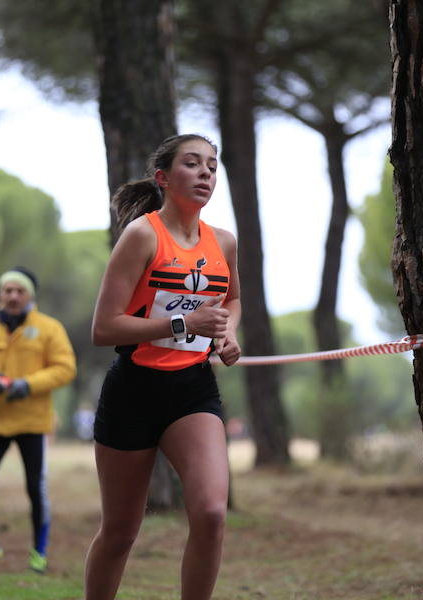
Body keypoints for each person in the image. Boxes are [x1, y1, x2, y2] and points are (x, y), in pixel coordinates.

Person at [83, 134, 242, 600]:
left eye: (212, 166)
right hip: (134, 389)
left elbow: (231, 300)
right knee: (120, 533)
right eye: (192, 165)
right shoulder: (142, 236)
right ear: (164, 178)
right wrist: (184, 321)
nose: (206, 174)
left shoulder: (225, 243)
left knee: (212, 513)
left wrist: (227, 334)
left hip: (192, 389)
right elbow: (104, 327)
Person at [0, 266, 77, 572]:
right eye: (7, 290)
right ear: (0, 294)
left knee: (35, 489)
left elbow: (65, 367)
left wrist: (29, 385)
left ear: (30, 295)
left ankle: (39, 551)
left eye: (19, 291)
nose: (13, 296)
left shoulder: (50, 329)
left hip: (32, 423)